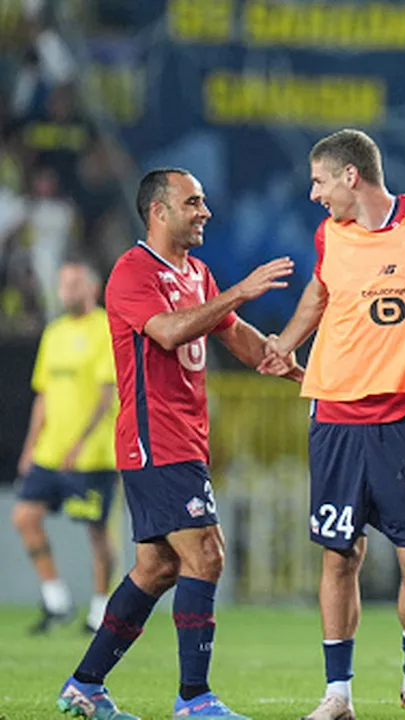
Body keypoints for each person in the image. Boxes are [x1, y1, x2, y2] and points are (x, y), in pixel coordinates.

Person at [56, 168, 298, 720]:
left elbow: (236, 336)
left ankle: (85, 685)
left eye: (205, 201)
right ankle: (194, 698)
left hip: (185, 438)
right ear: (159, 211)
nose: (205, 211)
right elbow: (166, 331)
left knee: (159, 568)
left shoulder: (197, 272)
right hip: (154, 438)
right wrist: (241, 288)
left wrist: (299, 371)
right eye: (193, 202)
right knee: (206, 554)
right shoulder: (131, 272)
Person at [262, 129, 405, 720]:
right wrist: (284, 345)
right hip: (335, 414)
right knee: (339, 555)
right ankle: (337, 694)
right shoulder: (329, 235)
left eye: (319, 180)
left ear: (350, 175)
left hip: (403, 414)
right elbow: (319, 294)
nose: (314, 193)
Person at [14, 260, 118, 635]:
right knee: (24, 517)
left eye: (75, 283)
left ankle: (101, 610)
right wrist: (30, 447)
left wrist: (80, 443)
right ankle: (56, 600)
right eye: (63, 284)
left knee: (96, 530)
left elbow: (107, 396)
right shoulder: (54, 332)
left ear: (93, 287)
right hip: (50, 452)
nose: (67, 291)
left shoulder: (106, 328)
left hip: (92, 456)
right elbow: (42, 395)